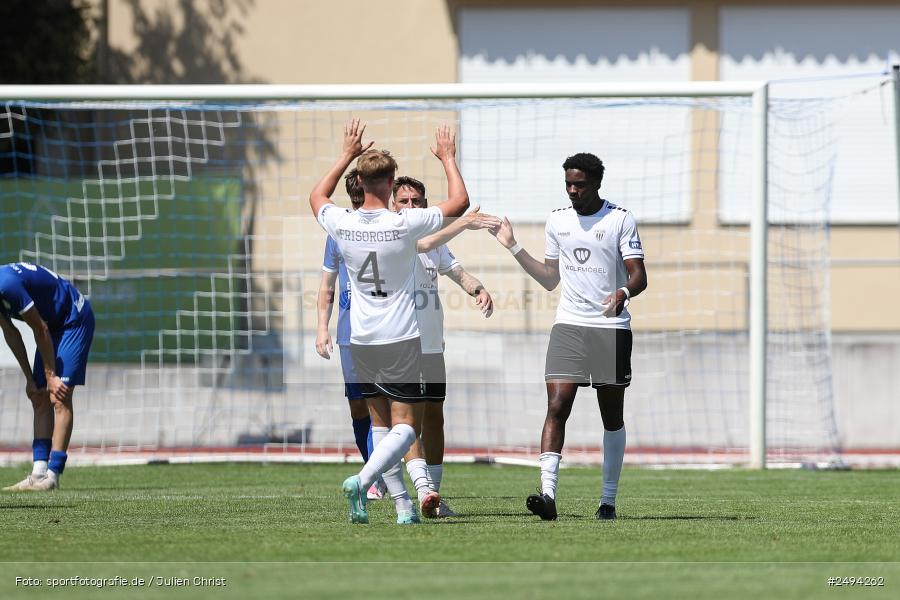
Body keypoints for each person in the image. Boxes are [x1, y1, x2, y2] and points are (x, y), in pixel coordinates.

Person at [309, 119, 469, 524]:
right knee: (407, 427)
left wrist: (347, 152)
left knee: (379, 425)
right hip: (399, 338)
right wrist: (448, 158)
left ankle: (402, 507)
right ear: (392, 181)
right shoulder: (404, 223)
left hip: (359, 339)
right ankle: (363, 480)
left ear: (359, 181)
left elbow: (316, 195)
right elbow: (460, 202)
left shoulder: (341, 223)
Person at [491, 152, 647, 521]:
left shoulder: (620, 220)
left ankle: (607, 500)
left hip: (610, 330)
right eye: (568, 184)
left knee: (611, 416)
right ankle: (547, 495)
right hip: (569, 326)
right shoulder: (557, 221)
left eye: (579, 184)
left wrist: (622, 294)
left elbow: (638, 275)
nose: (572, 190)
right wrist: (513, 245)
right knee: (557, 405)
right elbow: (549, 278)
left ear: (596, 183)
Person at [390, 175, 497, 518]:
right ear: (393, 206)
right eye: (403, 201)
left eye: (417, 201)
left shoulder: (434, 240)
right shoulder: (393, 233)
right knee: (409, 421)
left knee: (434, 416)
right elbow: (420, 246)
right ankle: (421, 489)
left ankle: (433, 494)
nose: (410, 207)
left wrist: (477, 289)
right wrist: (463, 222)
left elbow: (457, 271)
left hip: (433, 344)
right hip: (402, 342)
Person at [315, 168, 386, 501]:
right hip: (349, 333)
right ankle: (374, 472)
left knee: (382, 407)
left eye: (363, 192)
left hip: (385, 331)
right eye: (354, 195)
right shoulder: (339, 230)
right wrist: (321, 328)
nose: (360, 200)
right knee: (359, 407)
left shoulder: (388, 224)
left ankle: (378, 476)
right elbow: (327, 286)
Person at [0, 262, 95, 492]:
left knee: (58, 396)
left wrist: (51, 376)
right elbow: (10, 333)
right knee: (38, 396)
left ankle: (53, 476)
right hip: (51, 327)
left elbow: (39, 329)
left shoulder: (7, 285)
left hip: (73, 320)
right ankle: (38, 473)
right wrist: (29, 379)